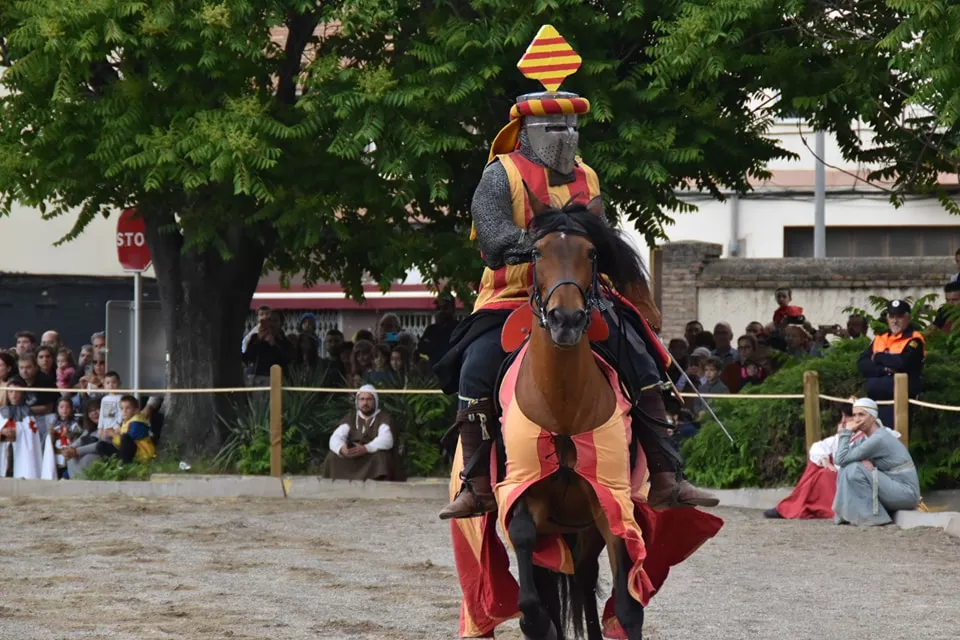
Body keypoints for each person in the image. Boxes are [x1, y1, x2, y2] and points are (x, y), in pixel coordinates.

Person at [435, 41, 716, 520]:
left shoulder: (588, 175)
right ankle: (477, 485)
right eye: (552, 126)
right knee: (475, 367)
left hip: (584, 293)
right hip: (511, 294)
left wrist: (597, 264)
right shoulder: (500, 175)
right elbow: (494, 240)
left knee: (642, 355)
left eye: (570, 125)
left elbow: (601, 236)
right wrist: (546, 248)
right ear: (526, 130)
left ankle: (668, 475)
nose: (564, 134)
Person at [833, 398, 920, 526]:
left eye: (861, 414)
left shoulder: (879, 438)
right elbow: (843, 460)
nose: (856, 420)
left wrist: (846, 433)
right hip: (891, 486)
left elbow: (840, 459)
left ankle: (873, 517)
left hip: (906, 493)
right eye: (854, 415)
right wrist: (862, 459)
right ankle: (847, 514)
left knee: (855, 468)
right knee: (848, 468)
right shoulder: (865, 438)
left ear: (873, 417)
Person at [858, 299, 924, 427]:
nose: (895, 321)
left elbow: (902, 363)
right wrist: (885, 370)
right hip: (875, 401)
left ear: (907, 318)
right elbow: (862, 364)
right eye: (892, 317)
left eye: (899, 317)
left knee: (895, 440)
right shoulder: (880, 338)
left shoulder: (914, 339)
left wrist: (878, 357)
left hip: (899, 402)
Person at [322, 385, 403, 481]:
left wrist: (366, 448)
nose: (365, 403)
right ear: (358, 401)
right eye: (362, 399)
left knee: (380, 458)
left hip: (371, 453)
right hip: (353, 453)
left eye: (369, 399)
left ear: (375, 401)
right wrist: (342, 448)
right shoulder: (351, 417)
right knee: (332, 456)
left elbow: (387, 439)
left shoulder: (384, 417)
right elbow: (336, 436)